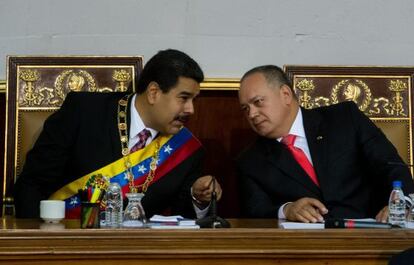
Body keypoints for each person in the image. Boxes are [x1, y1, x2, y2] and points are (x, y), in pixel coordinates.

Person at [14, 49, 222, 219]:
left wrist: (197, 197)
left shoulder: (185, 150)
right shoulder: (84, 113)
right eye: (184, 98)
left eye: (194, 100)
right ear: (153, 93)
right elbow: (33, 185)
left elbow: (182, 219)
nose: (191, 110)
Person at [237, 65, 414, 223]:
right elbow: (255, 209)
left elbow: (390, 165)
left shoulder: (345, 119)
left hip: (371, 231)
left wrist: (402, 204)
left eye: (258, 102)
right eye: (246, 108)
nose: (252, 114)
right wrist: (287, 209)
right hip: (305, 248)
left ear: (285, 94)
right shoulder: (250, 160)